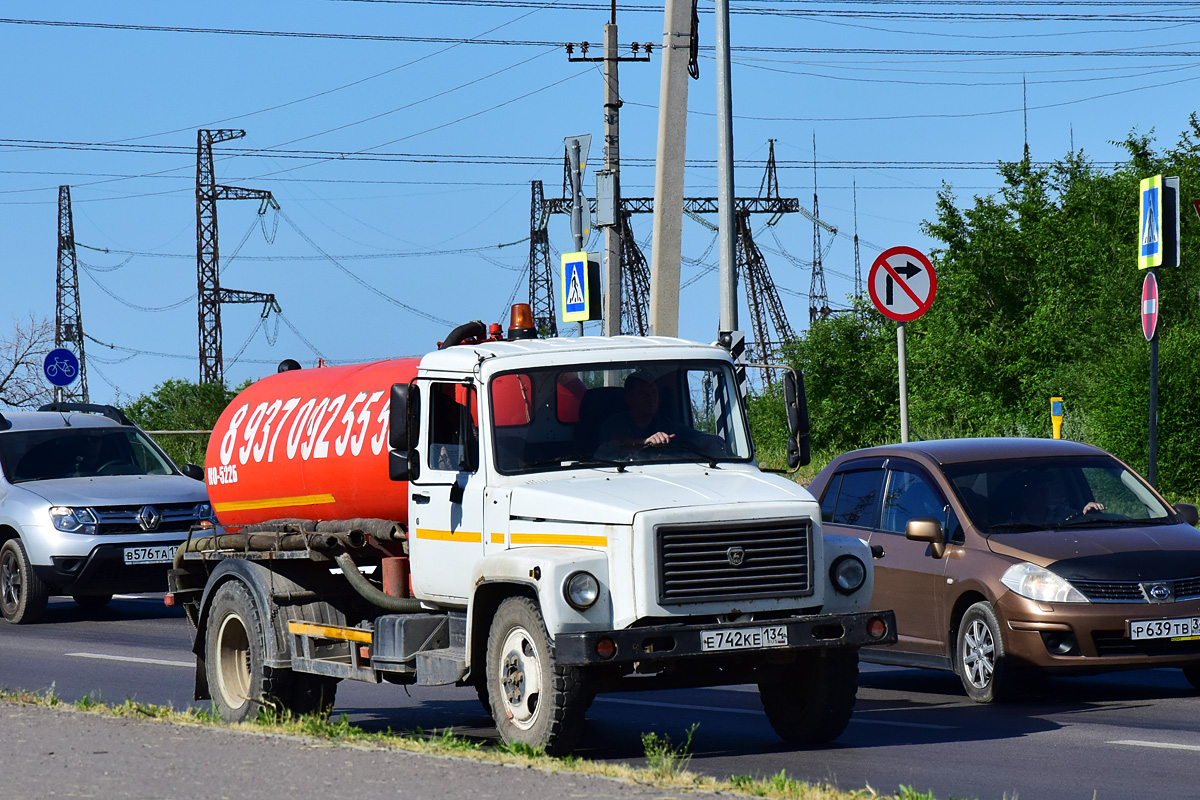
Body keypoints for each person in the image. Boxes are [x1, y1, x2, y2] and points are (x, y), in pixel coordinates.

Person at [595, 372, 684, 455]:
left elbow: (695, 438)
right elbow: (616, 443)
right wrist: (646, 442)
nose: (650, 398)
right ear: (628, 398)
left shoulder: (666, 425)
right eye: (643, 394)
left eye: (653, 392)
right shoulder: (614, 424)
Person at [1012, 472, 1105, 526]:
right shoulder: (1011, 527)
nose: (1046, 494)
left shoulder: (1064, 515)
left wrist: (1089, 511)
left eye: (1047, 490)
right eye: (1039, 490)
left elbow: (1080, 517)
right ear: (1026, 495)